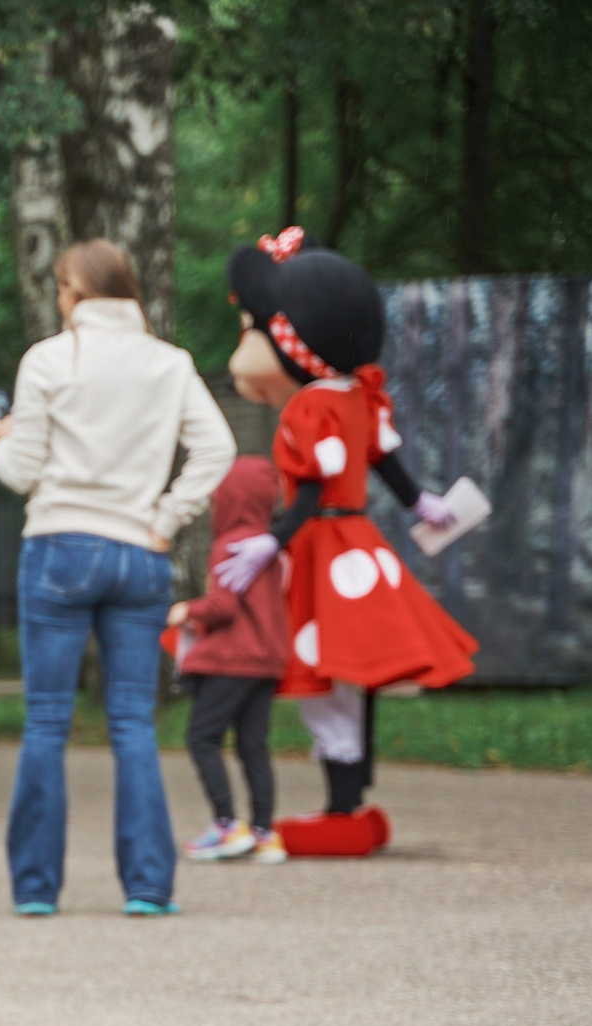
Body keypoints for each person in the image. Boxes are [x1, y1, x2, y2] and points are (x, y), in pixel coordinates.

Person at [0, 238, 235, 917]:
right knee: (132, 723)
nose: (58, 299)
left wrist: (1, 440)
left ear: (76, 292)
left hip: (59, 546)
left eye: (60, 288)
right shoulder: (169, 362)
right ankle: (148, 887)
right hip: (139, 552)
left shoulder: (48, 359)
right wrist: (168, 517)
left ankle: (36, 889)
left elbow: (20, 472)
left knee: (47, 722)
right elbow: (217, 448)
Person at [216, 232, 478, 855]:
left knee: (325, 674)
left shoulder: (308, 407)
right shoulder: (360, 396)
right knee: (351, 675)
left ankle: (341, 809)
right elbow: (382, 460)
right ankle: (350, 797)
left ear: (290, 339)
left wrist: (273, 540)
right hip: (358, 543)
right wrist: (420, 502)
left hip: (321, 544)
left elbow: (310, 489)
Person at [168, 457, 288, 863]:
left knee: (202, 738)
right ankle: (265, 833)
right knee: (253, 745)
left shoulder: (229, 544)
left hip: (231, 660)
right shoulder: (270, 546)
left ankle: (225, 825)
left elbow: (224, 606)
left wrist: (187, 610)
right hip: (266, 661)